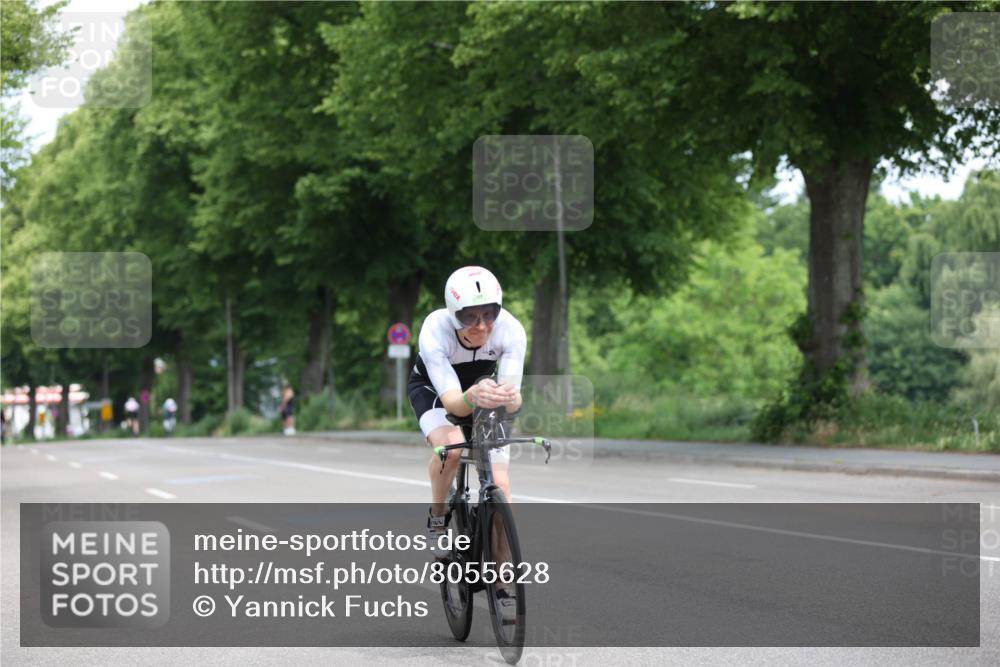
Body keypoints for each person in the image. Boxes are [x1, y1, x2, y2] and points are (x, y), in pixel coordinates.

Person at [408, 266, 526, 557]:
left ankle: (501, 582)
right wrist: (472, 397)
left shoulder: (511, 329)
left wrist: (510, 397)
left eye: (489, 314)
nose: (482, 326)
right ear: (452, 313)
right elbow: (452, 402)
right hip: (435, 390)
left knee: (501, 485)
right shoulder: (435, 329)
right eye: (469, 316)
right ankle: (438, 517)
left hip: (480, 391)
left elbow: (513, 403)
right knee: (450, 448)